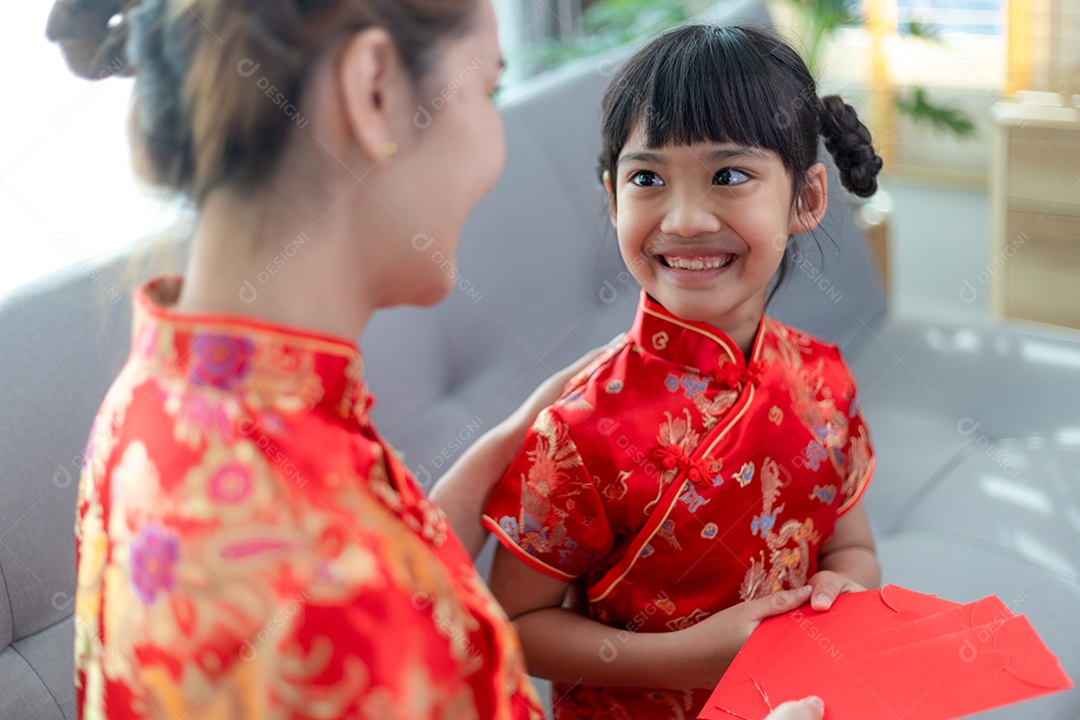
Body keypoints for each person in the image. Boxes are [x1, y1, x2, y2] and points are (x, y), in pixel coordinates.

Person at [45, 0, 838, 716]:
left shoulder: (155, 399)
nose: (496, 151)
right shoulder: (343, 578)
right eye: (486, 94)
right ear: (376, 91)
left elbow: (390, 560)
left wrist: (506, 439)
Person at [482, 24, 883, 719]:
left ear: (807, 199)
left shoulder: (824, 379)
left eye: (730, 176)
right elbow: (511, 630)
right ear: (611, 200)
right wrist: (686, 657)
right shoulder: (579, 430)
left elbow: (850, 546)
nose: (687, 218)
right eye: (648, 178)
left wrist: (840, 593)